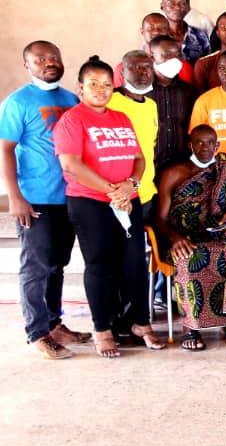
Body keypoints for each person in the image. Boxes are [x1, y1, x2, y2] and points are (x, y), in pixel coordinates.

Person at [54, 57, 164, 357]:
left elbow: (139, 158)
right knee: (100, 265)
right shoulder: (73, 120)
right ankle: (102, 329)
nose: (100, 90)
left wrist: (131, 185)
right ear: (81, 88)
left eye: (106, 84)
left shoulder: (121, 118)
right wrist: (113, 191)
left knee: (135, 264)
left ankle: (140, 323)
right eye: (93, 84)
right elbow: (71, 164)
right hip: (91, 203)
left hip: (128, 200)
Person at [0, 40, 86, 359]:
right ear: (27, 65)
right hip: (35, 198)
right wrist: (15, 196)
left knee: (57, 265)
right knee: (35, 267)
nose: (49, 63)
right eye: (40, 59)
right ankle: (37, 332)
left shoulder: (71, 99)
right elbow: (5, 150)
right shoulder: (17, 102)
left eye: (53, 57)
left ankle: (53, 323)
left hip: (68, 196)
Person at [155, 125, 226, 350]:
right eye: (199, 142)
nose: (205, 147)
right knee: (192, 256)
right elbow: (160, 220)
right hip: (183, 235)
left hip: (220, 232)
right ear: (190, 145)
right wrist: (175, 238)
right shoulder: (173, 173)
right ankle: (190, 328)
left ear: (217, 145)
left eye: (210, 143)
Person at [106, 51, 159, 213]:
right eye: (135, 67)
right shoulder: (109, 102)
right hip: (118, 195)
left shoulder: (151, 105)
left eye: (147, 67)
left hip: (145, 191)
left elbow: (149, 145)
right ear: (122, 72)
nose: (143, 72)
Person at [146, 35, 197, 170]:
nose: (174, 60)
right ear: (152, 57)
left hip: (181, 167)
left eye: (177, 55)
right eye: (167, 55)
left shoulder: (189, 91)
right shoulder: (142, 91)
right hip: (148, 166)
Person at [161, 0, 210, 66]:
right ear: (162, 7)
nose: (177, 7)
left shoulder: (200, 35)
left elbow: (207, 64)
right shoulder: (157, 35)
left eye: (181, 3)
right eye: (171, 4)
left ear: (186, 7)